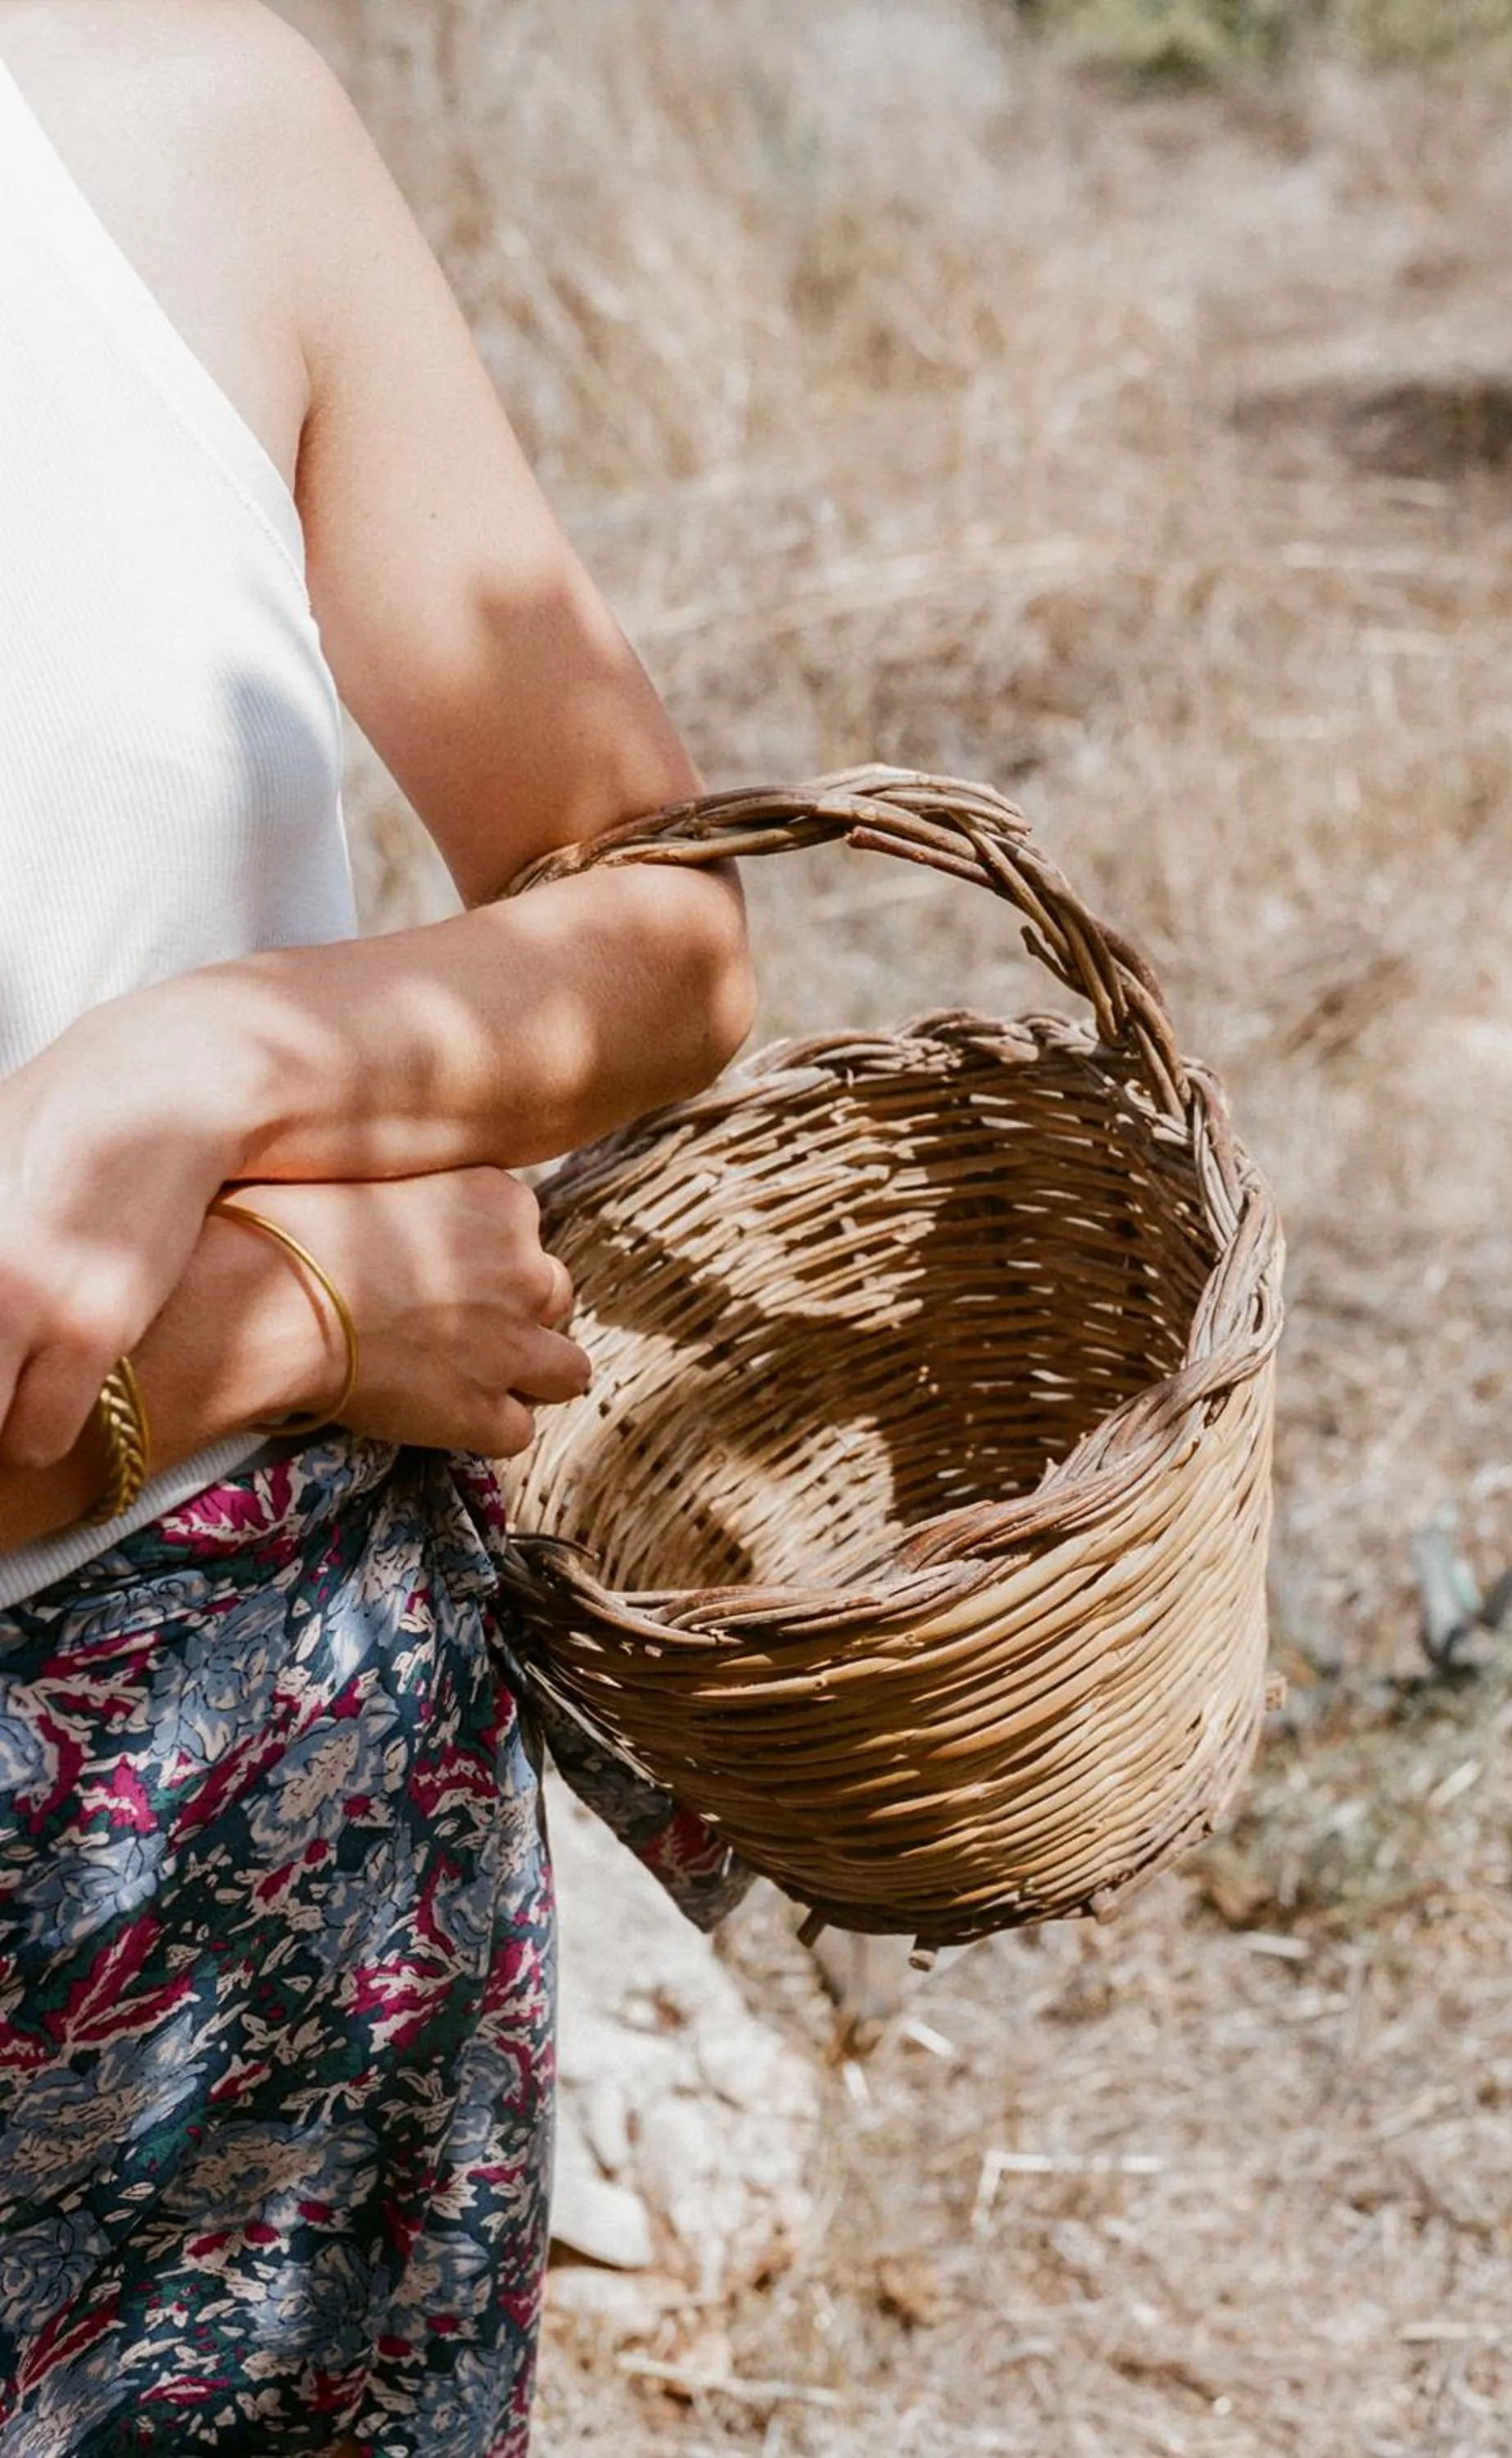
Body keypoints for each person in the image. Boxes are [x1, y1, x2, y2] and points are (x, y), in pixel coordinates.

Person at [0, 2, 755, 2448]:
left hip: (305, 1819)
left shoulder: (181, 120)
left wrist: (212, 1051)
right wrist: (290, 1309)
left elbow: (648, 923)